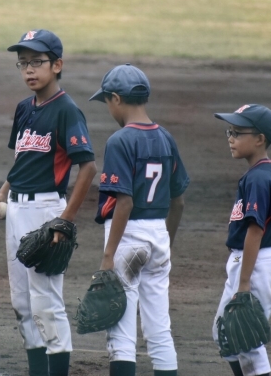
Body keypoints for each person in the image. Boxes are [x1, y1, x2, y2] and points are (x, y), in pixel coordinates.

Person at [0, 30, 97, 376]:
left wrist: (64, 220)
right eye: (23, 63)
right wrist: (3, 193)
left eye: (37, 62)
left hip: (46, 212)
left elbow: (88, 168)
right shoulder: (24, 108)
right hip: (16, 209)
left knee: (46, 303)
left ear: (57, 65)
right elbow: (22, 161)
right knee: (22, 303)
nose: (29, 70)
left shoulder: (67, 110)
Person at [89, 63, 189, 376]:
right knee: (159, 329)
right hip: (158, 234)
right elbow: (178, 201)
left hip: (128, 238)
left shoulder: (120, 140)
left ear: (117, 99)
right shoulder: (166, 138)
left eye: (107, 101)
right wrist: (166, 242)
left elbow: (124, 202)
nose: (108, 108)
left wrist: (108, 256)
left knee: (121, 332)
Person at [212, 104, 271, 376]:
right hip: (251, 261)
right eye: (229, 132)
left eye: (238, 132)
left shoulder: (259, 178)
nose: (231, 138)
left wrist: (244, 282)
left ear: (259, 139)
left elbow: (255, 231)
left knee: (245, 338)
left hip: (256, 263)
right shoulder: (257, 174)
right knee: (224, 332)